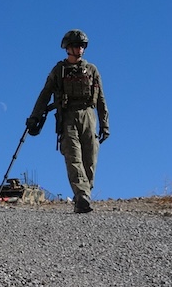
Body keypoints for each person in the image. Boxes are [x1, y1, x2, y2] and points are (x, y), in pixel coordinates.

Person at [26, 29, 110, 214]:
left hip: (89, 116)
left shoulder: (92, 70)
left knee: (90, 158)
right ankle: (81, 195)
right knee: (73, 155)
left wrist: (105, 123)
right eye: (76, 46)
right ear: (68, 48)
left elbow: (101, 99)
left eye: (82, 46)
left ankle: (85, 194)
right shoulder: (59, 71)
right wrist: (34, 117)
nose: (80, 49)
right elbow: (44, 95)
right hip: (68, 116)